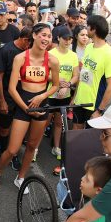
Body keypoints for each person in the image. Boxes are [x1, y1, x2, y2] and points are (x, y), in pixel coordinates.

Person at [0, 22, 60, 191]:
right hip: (23, 103)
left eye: (49, 36)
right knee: (13, 149)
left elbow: (55, 86)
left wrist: (41, 97)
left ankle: (21, 177)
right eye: (43, 35)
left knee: (31, 147)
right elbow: (12, 88)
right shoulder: (20, 58)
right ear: (34, 36)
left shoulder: (53, 60)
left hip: (41, 104)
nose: (46, 39)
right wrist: (27, 108)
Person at [71, 16, 111, 129]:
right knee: (75, 131)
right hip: (80, 100)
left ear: (94, 29)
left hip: (93, 105)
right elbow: (83, 75)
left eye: (88, 26)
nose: (86, 28)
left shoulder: (109, 53)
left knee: (88, 140)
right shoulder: (89, 47)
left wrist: (100, 110)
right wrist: (75, 97)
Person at [48, 27, 80, 168]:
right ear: (59, 38)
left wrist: (67, 85)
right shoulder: (50, 53)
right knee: (44, 122)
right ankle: (35, 148)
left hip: (64, 94)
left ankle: (56, 147)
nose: (68, 41)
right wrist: (56, 81)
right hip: (50, 92)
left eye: (70, 39)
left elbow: (76, 76)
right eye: (65, 38)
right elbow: (45, 74)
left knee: (59, 123)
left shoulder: (73, 56)